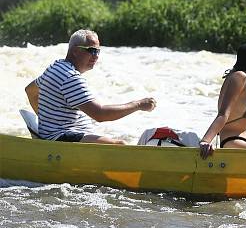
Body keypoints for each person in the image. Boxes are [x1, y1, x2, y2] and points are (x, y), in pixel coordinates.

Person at [24, 29, 157, 144]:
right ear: (75, 51)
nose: (96, 56)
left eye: (98, 51)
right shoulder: (70, 77)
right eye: (91, 50)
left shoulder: (56, 66)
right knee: (118, 145)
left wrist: (46, 121)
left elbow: (30, 91)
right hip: (61, 138)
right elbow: (100, 114)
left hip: (57, 135)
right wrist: (139, 104)